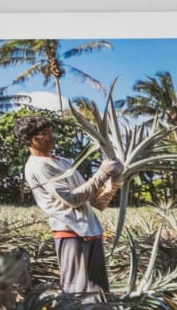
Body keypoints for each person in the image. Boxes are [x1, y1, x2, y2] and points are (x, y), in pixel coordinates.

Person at [15, 115, 123, 301]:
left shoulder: (64, 162)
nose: (51, 136)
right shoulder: (38, 166)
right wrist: (102, 172)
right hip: (71, 233)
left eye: (50, 131)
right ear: (29, 140)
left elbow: (96, 201)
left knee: (99, 294)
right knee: (77, 294)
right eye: (45, 134)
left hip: (91, 230)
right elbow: (72, 199)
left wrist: (114, 181)